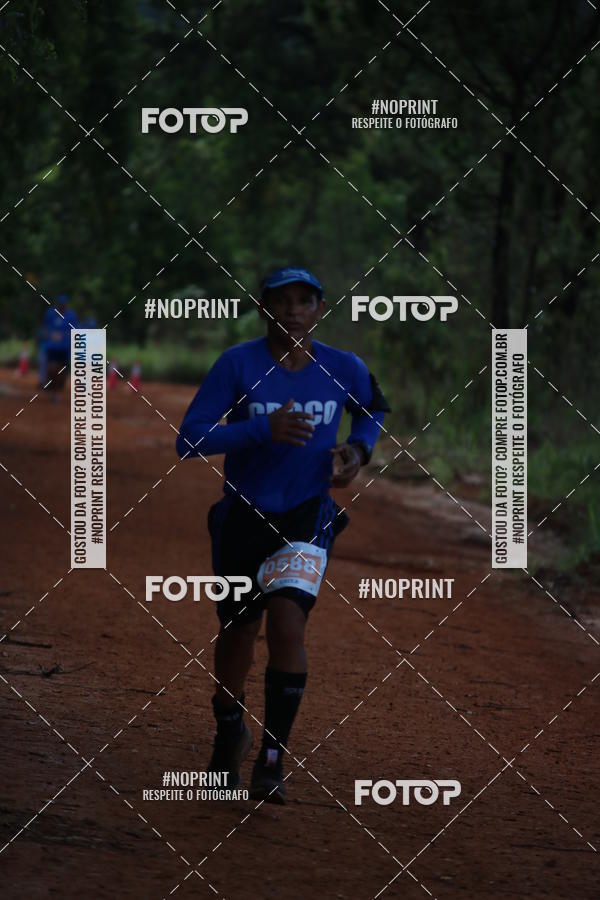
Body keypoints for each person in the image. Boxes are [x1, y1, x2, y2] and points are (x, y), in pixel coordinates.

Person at [176, 266, 390, 803]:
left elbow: (373, 409)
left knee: (288, 622)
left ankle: (273, 756)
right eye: (281, 300)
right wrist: (259, 429)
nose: (292, 310)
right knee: (238, 630)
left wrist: (357, 450)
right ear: (263, 307)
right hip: (243, 514)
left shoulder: (344, 367)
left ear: (320, 309)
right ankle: (230, 732)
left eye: (304, 300)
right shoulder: (238, 364)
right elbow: (190, 439)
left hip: (306, 515)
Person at [39, 294, 78, 389]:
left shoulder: (71, 315)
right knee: (43, 360)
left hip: (65, 346)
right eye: (60, 304)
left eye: (63, 304)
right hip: (51, 345)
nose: (62, 306)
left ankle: (62, 380)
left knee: (69, 362)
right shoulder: (50, 313)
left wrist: (65, 336)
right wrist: (49, 335)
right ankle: (43, 381)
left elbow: (75, 331)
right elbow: (44, 328)